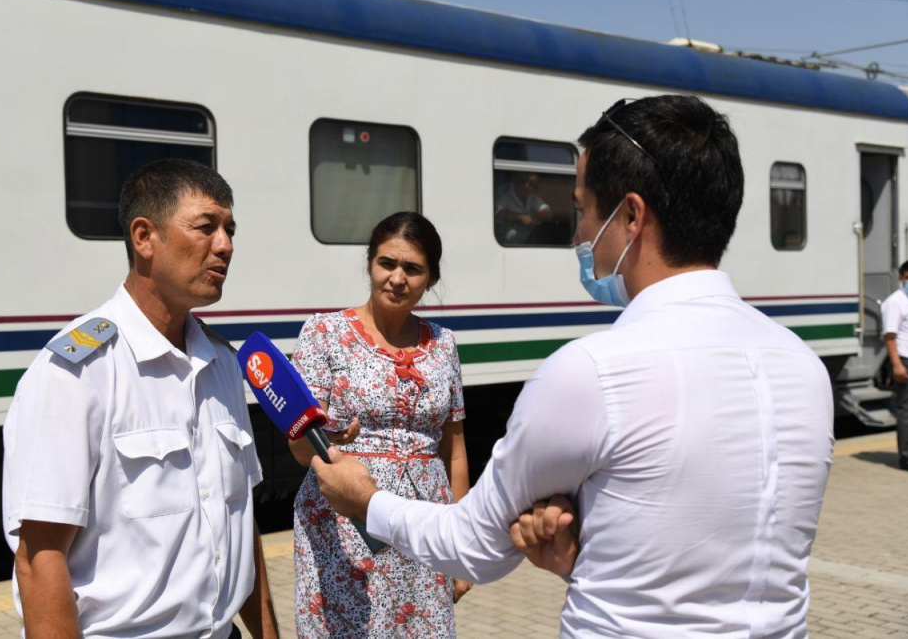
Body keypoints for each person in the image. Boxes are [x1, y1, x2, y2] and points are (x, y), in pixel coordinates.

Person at [312, 96, 835, 637]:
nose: (579, 234)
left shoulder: (591, 372)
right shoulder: (802, 366)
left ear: (630, 216)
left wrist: (367, 501)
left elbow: (472, 548)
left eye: (583, 209)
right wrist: (590, 547)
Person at [1, 159, 279, 638]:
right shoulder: (77, 373)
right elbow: (38, 559)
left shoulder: (222, 364)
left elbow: (240, 519)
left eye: (230, 230)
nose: (226, 246)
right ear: (144, 237)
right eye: (206, 227)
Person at [288, 211, 473, 637]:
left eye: (413, 269)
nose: (397, 278)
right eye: (387, 263)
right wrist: (327, 437)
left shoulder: (444, 344)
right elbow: (299, 448)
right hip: (345, 522)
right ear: (370, 262)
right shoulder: (323, 333)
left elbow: (454, 449)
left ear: (430, 277)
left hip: (426, 524)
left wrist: (462, 546)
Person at [880, 260, 908, 471]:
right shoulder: (896, 301)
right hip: (907, 361)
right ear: (901, 279)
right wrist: (897, 365)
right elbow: (890, 336)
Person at [494, 172, 554, 244]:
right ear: (517, 180)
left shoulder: (532, 195)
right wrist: (520, 217)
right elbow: (496, 211)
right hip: (503, 244)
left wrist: (533, 217)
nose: (526, 185)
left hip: (526, 242)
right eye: (523, 181)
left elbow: (548, 214)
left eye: (531, 184)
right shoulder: (504, 191)